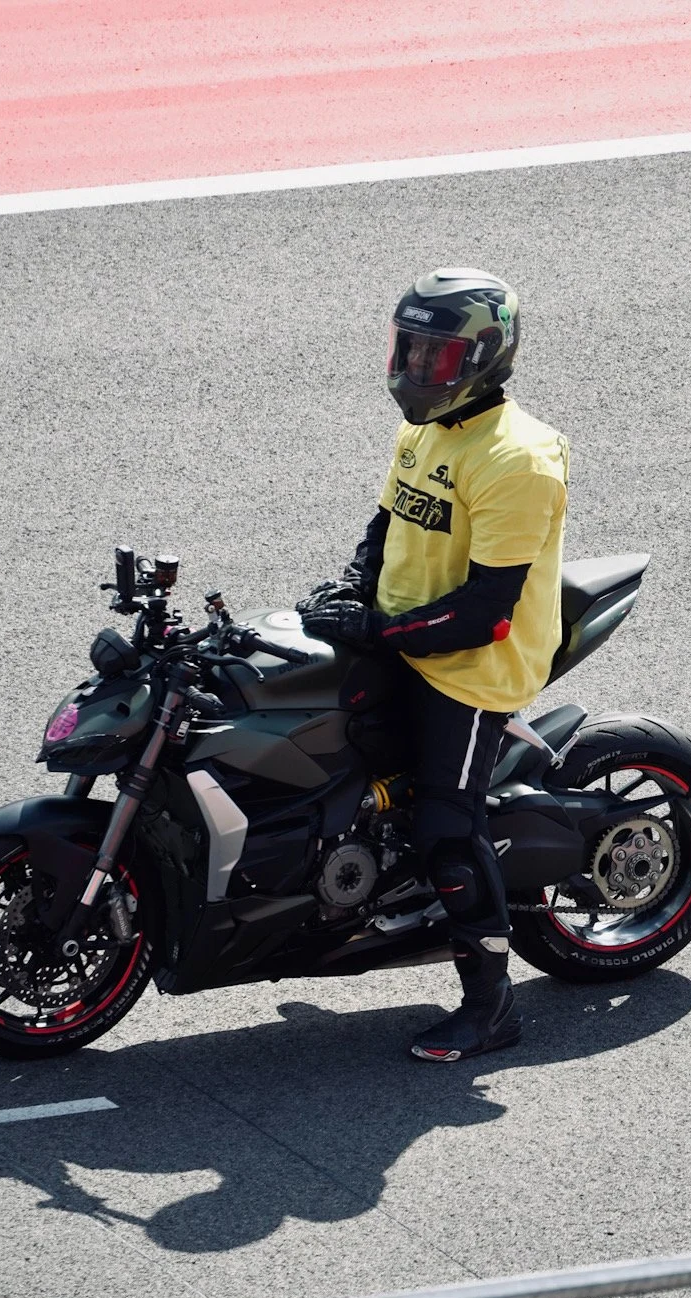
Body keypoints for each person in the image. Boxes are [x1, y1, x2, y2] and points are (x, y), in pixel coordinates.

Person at [298, 268, 570, 1062]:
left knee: (444, 828)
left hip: (471, 666)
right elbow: (386, 524)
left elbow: (485, 611)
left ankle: (491, 1006)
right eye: (409, 349)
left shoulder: (515, 460)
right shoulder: (424, 431)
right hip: (405, 632)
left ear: (485, 359)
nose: (416, 369)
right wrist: (351, 588)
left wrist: (380, 630)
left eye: (436, 357)